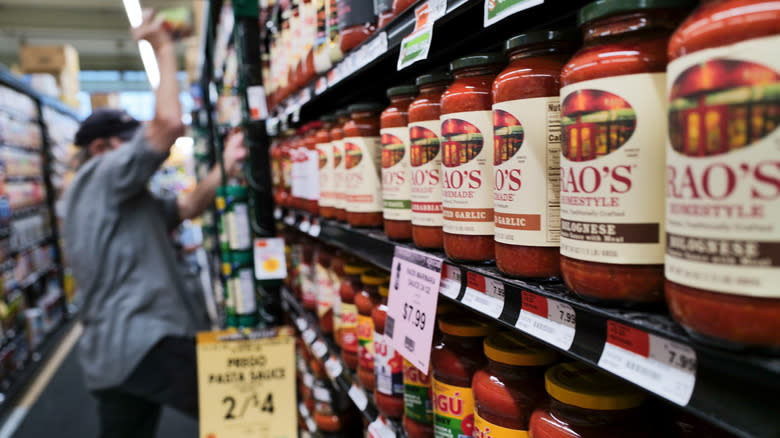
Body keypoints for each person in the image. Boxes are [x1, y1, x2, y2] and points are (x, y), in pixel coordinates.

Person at [62, 9, 246, 438]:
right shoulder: (102, 175)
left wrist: (223, 168)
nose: (136, 156)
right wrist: (163, 47)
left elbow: (184, 209)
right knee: (248, 418)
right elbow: (168, 125)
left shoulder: (118, 199)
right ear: (101, 148)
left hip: (112, 356)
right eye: (129, 147)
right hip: (146, 341)